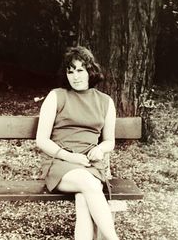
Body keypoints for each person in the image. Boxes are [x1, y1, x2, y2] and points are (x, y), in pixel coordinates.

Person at [36, 46, 119, 240]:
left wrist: (100, 149)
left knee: (84, 199)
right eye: (70, 71)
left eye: (80, 70)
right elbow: (42, 140)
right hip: (59, 162)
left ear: (91, 71)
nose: (75, 76)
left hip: (90, 163)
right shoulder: (56, 96)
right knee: (89, 185)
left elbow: (109, 142)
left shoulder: (106, 102)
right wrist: (70, 157)